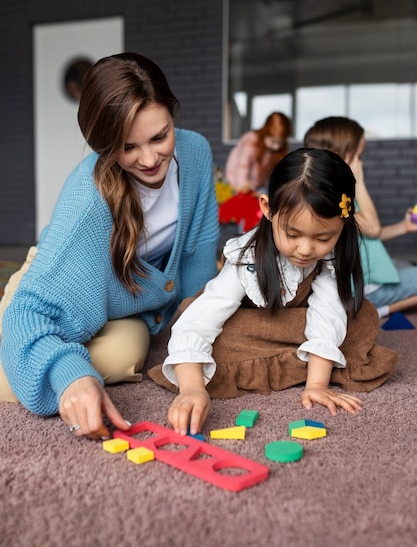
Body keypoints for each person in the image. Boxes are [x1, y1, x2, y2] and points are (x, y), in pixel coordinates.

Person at [0, 52, 219, 439]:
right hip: (62, 276)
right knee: (34, 368)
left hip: (129, 301)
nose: (150, 159)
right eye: (128, 147)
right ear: (103, 145)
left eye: (159, 136)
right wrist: (71, 378)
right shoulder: (88, 202)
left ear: (172, 114)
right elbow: (29, 316)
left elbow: (198, 258)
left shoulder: (196, 152)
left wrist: (194, 328)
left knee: (126, 356)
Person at [147, 148, 398, 435]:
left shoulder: (331, 258)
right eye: (292, 234)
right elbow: (201, 320)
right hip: (250, 332)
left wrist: (317, 385)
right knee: (203, 325)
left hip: (300, 328)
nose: (305, 249)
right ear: (267, 208)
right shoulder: (247, 256)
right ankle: (296, 361)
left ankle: (307, 365)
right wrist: (192, 388)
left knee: (361, 315)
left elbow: (327, 313)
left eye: (323, 237)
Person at [304, 116, 417, 318]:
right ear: (343, 155)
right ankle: (371, 311)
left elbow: (367, 234)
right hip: (361, 290)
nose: (361, 162)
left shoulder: (331, 191)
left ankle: (376, 310)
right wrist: (359, 182)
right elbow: (372, 228)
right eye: (360, 155)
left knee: (402, 265)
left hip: (363, 285)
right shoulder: (333, 199)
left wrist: (404, 226)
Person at [225, 112, 292, 193]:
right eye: (273, 142)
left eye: (280, 143)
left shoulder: (276, 151)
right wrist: (242, 186)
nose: (276, 147)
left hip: (257, 184)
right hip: (237, 182)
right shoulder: (251, 143)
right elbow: (242, 166)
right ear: (265, 133)